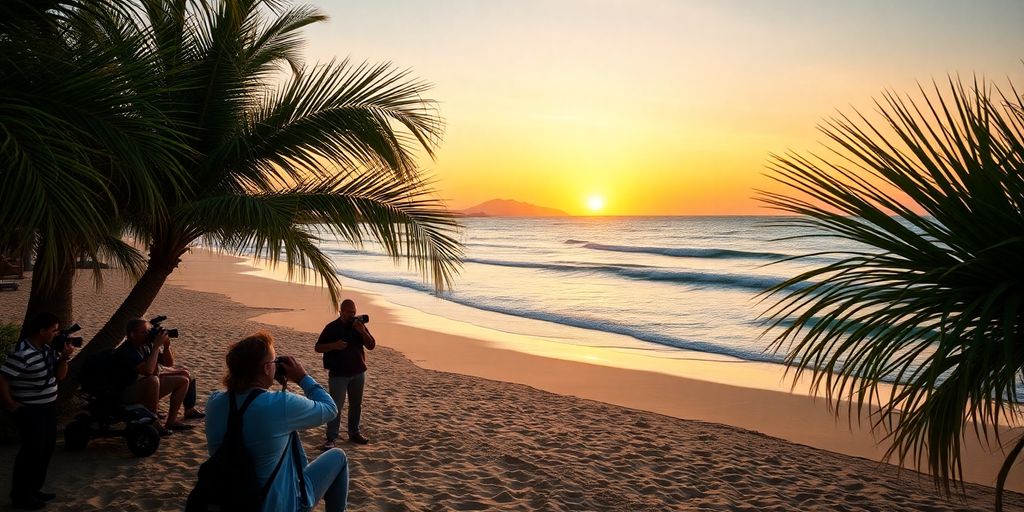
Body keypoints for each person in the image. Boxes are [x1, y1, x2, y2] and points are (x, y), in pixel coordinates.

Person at [205, 332, 348, 512]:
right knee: (338, 457)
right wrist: (303, 377)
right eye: (274, 362)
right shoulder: (280, 404)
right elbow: (330, 409)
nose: (276, 366)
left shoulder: (214, 402)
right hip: (277, 506)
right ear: (266, 368)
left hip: (228, 501)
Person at [0, 312, 73, 510]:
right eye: (53, 330)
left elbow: (59, 377)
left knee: (45, 449)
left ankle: (33, 489)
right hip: (30, 411)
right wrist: (10, 404)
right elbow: (3, 379)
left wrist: (64, 358)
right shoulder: (22, 353)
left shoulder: (47, 349)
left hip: (48, 407)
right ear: (41, 331)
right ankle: (21, 495)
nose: (56, 334)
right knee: (31, 452)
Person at [113, 318, 202, 435]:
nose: (147, 335)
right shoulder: (126, 350)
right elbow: (148, 371)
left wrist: (166, 346)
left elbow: (168, 363)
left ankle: (171, 421)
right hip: (125, 393)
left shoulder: (146, 345)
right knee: (153, 380)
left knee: (183, 380)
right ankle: (153, 420)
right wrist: (156, 347)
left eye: (148, 332)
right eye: (143, 332)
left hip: (141, 387)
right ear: (132, 334)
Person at [315, 299, 376, 448]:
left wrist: (362, 331)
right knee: (336, 405)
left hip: (358, 372)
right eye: (349, 312)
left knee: (356, 404)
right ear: (341, 312)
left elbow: (371, 345)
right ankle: (331, 438)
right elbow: (318, 347)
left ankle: (354, 432)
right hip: (338, 374)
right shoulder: (332, 328)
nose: (352, 315)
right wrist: (334, 345)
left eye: (354, 312)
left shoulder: (358, 325)